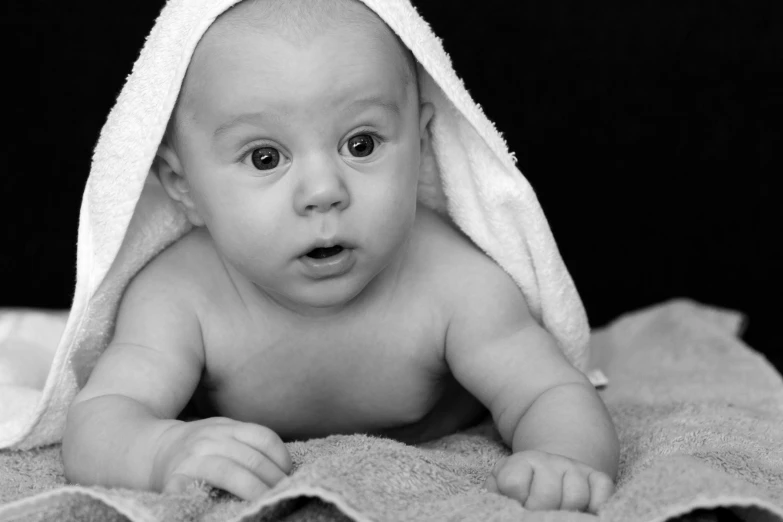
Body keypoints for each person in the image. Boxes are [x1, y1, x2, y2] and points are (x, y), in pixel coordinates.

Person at [61, 0, 620, 513]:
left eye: (361, 144)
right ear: (183, 185)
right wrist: (160, 450)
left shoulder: (454, 283)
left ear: (423, 143)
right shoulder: (181, 296)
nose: (323, 190)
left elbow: (549, 389)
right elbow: (101, 418)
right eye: (264, 157)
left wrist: (562, 457)